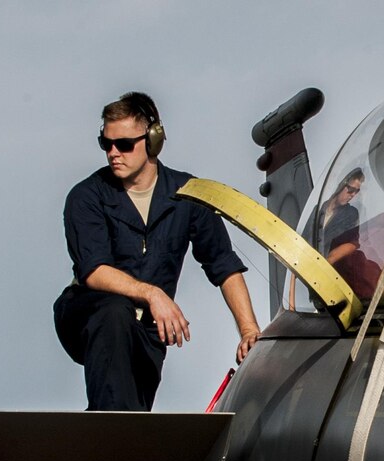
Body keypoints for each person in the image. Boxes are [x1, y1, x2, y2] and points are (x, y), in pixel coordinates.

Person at [54, 92, 261, 411]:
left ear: (152, 140)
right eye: (105, 144)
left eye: (123, 144)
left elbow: (223, 265)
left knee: (135, 413)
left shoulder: (188, 195)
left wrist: (249, 331)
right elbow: (93, 269)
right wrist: (153, 294)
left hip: (148, 329)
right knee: (114, 314)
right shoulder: (86, 197)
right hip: (87, 313)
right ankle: (103, 437)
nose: (113, 153)